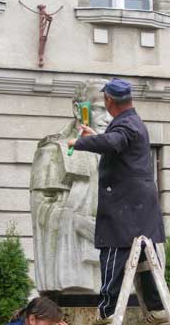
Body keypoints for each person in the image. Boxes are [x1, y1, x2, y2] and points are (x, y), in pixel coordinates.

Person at [67, 77, 167, 325]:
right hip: (139, 208)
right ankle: (156, 308)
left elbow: (113, 141)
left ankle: (107, 309)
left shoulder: (126, 125)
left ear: (110, 101)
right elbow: (115, 142)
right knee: (145, 258)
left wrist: (79, 142)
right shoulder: (131, 122)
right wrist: (95, 136)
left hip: (125, 207)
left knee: (113, 252)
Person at [30, 79, 111, 294]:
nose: (109, 118)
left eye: (113, 110)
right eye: (101, 109)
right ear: (78, 109)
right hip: (76, 261)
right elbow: (41, 209)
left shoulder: (119, 153)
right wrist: (78, 223)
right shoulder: (54, 150)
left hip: (114, 254)